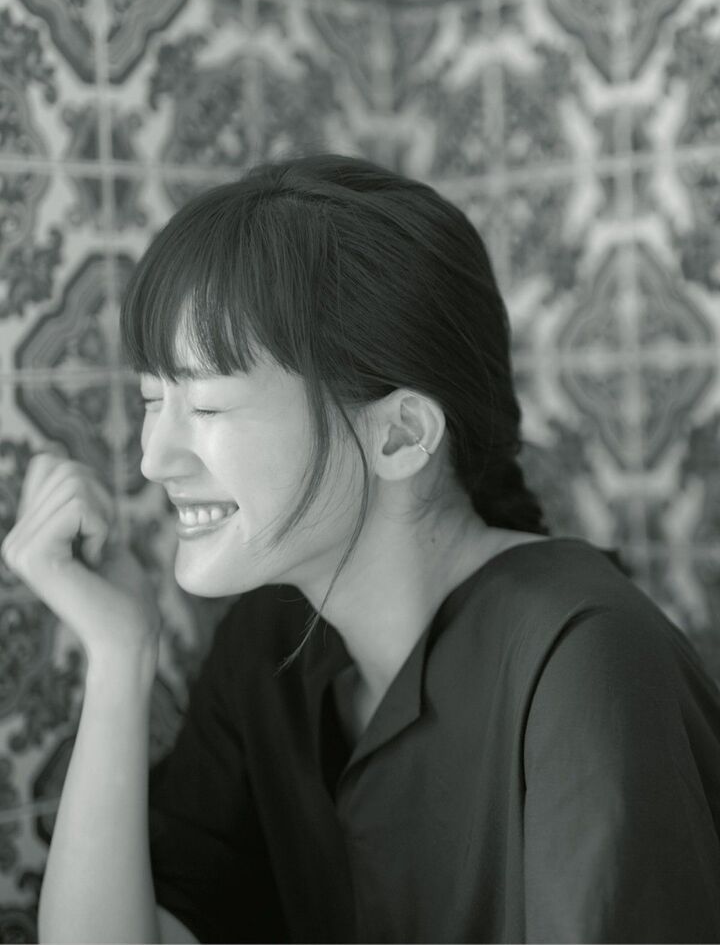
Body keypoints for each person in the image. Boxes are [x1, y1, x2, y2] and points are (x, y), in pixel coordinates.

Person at [4, 155, 720, 945]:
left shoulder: (585, 657)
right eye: (152, 397)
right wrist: (119, 656)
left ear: (401, 434)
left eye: (206, 404)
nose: (151, 458)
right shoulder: (270, 649)